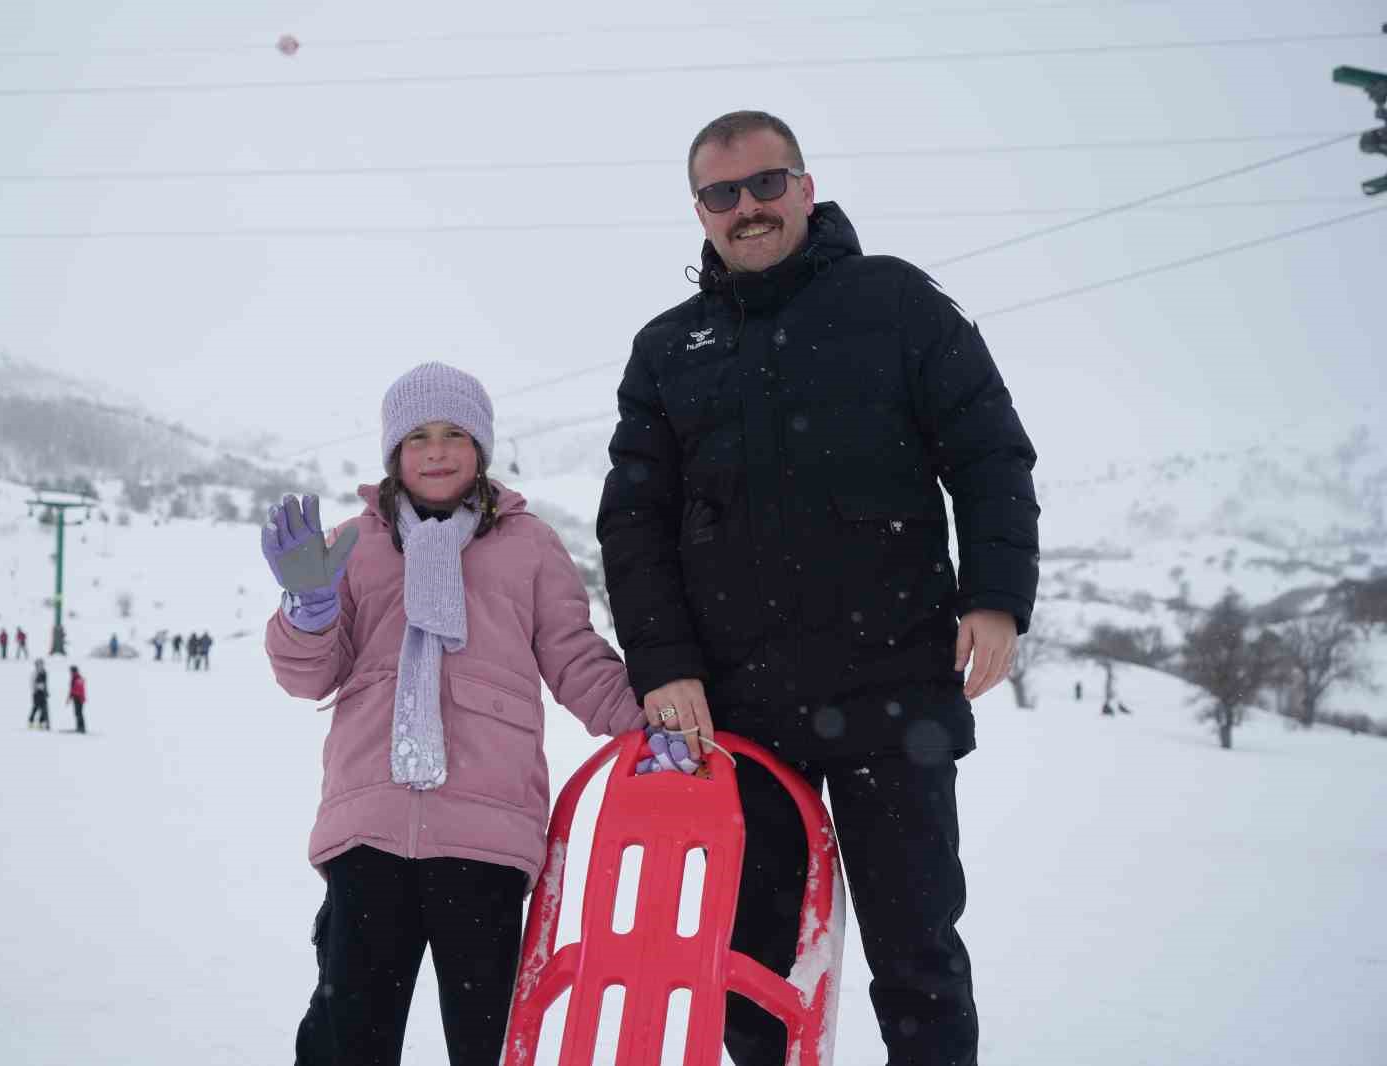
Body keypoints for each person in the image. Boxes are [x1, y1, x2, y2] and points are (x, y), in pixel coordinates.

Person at [596, 111, 1040, 1066]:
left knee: (916, 953)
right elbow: (633, 525)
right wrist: (665, 666)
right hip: (742, 711)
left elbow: (988, 450)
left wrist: (996, 595)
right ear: (700, 212)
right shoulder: (668, 348)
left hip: (894, 692)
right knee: (750, 964)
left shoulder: (894, 301)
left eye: (766, 183)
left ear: (805, 186)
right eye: (722, 194)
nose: (747, 207)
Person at [264, 362, 656, 1066]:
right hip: (369, 823)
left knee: (490, 1039)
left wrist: (648, 722)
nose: (437, 451)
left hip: (487, 831)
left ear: (481, 447)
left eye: (454, 434)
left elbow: (574, 658)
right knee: (348, 1031)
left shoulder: (529, 546)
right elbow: (308, 675)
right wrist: (308, 611)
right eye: (417, 437)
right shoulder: (354, 546)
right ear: (394, 452)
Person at [28, 658, 50, 730]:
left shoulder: (44, 672)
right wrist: (38, 687)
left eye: (42, 664)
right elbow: (32, 683)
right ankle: (30, 721)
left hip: (43, 693)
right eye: (39, 665)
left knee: (44, 709)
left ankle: (41, 723)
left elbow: (45, 683)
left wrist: (46, 691)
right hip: (36, 693)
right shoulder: (35, 673)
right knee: (36, 707)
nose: (41, 666)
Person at [67, 665, 87, 734]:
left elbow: (79, 689)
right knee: (77, 713)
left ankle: (82, 727)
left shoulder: (78, 678)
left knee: (79, 713)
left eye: (71, 671)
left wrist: (72, 695)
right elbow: (72, 689)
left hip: (79, 698)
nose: (70, 673)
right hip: (76, 698)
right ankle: (79, 727)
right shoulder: (74, 678)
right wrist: (69, 697)